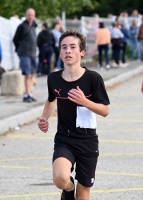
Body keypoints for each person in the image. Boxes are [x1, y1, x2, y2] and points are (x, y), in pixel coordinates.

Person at [37, 29, 110, 200]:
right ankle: (68, 190)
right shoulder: (53, 78)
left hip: (87, 141)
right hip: (64, 139)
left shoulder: (93, 78)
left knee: (83, 196)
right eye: (64, 47)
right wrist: (44, 118)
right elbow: (51, 99)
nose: (68, 51)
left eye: (72, 47)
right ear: (60, 52)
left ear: (82, 52)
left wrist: (85, 102)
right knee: (60, 178)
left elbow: (105, 110)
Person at [13, 8, 37, 103]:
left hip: (33, 53)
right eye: (29, 15)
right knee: (27, 74)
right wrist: (19, 48)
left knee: (31, 75)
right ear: (26, 15)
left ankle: (29, 94)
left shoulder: (34, 26)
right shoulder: (22, 26)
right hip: (24, 53)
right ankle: (26, 95)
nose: (30, 17)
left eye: (32, 15)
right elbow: (15, 39)